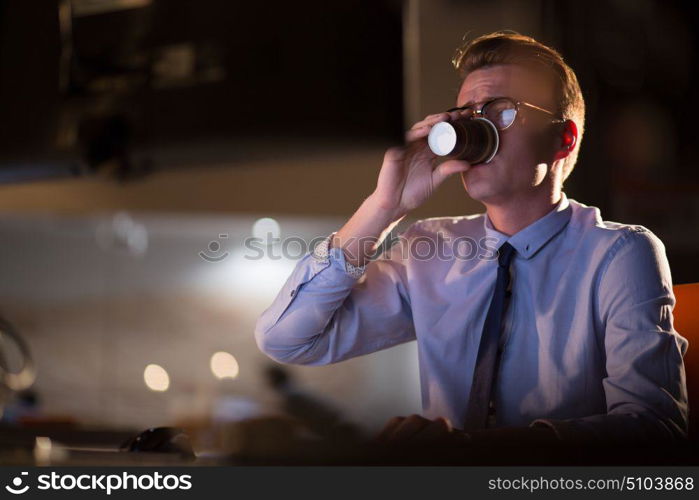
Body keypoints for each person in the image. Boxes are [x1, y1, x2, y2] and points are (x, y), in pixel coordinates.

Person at [254, 31, 689, 447]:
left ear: (561, 139)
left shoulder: (618, 254)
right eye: (468, 115)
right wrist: (384, 207)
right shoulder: (431, 248)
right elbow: (289, 340)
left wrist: (474, 451)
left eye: (500, 110)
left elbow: (654, 425)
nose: (478, 132)